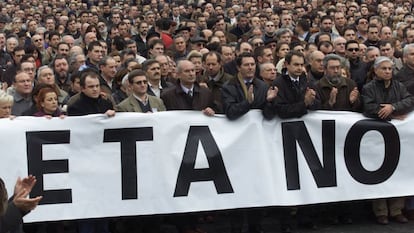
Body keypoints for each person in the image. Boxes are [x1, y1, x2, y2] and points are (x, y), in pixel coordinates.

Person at [362, 56, 414, 225]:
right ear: (376, 70)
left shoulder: (399, 86)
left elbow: (409, 100)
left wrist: (393, 107)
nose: (387, 72)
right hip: (376, 137)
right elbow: (368, 107)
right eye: (384, 69)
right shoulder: (368, 88)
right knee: (378, 173)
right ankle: (381, 211)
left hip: (397, 138)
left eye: (390, 69)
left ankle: (397, 210)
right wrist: (389, 114)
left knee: (398, 170)